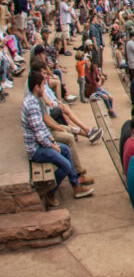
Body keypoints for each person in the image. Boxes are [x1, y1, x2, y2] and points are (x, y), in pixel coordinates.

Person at [22, 69, 94, 203]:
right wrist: (51, 145)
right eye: (42, 85)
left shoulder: (34, 101)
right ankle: (50, 192)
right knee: (66, 165)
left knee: (66, 150)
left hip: (41, 143)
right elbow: (38, 134)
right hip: (36, 149)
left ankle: (76, 186)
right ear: (36, 87)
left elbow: (42, 127)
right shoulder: (32, 105)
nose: (44, 88)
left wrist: (52, 140)